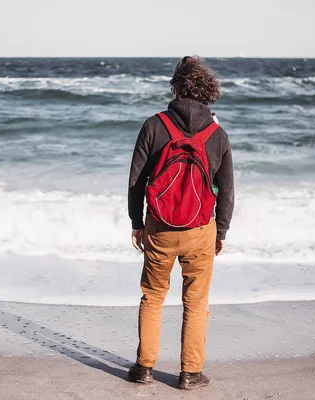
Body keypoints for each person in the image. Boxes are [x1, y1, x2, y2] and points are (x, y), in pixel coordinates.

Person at [127, 55, 234, 390]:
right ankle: (190, 373)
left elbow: (136, 180)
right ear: (207, 90)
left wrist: (136, 222)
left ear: (175, 86)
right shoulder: (218, 134)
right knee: (196, 302)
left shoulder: (154, 124)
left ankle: (144, 368)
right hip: (200, 229)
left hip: (159, 226)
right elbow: (227, 189)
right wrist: (222, 230)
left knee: (153, 296)